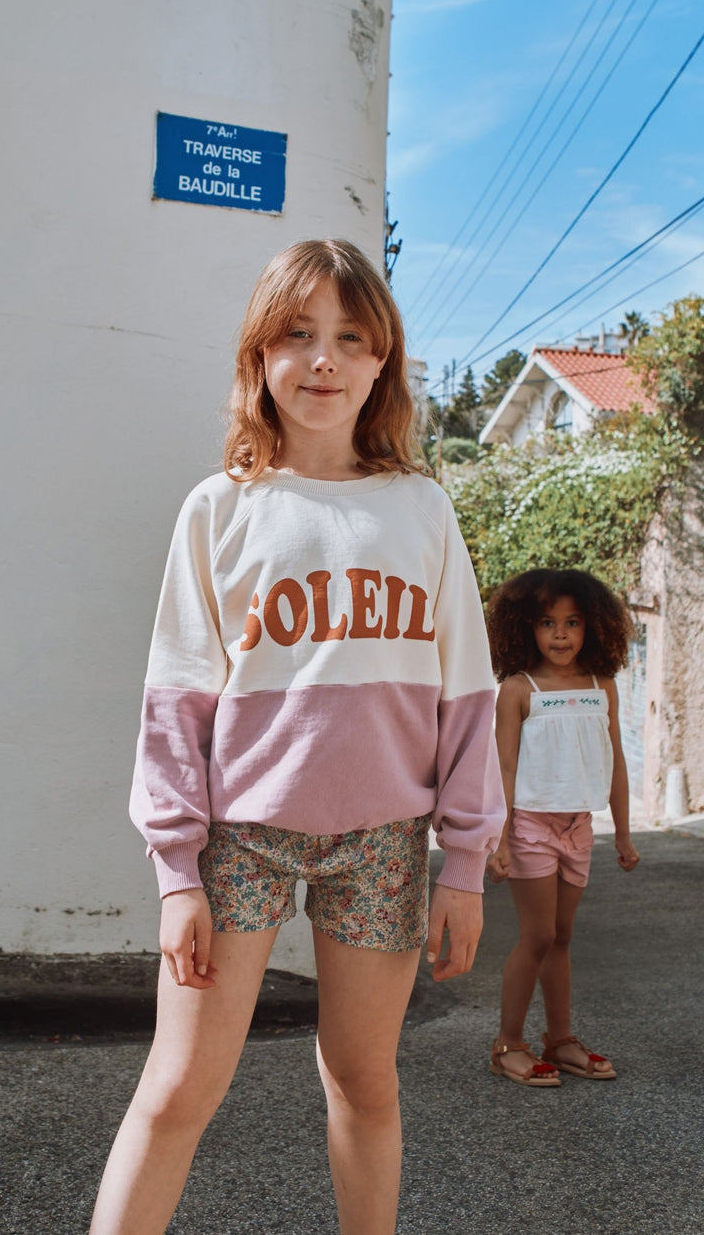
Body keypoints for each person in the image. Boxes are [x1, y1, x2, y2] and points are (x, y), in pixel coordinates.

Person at [90, 239, 505, 1235]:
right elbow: (176, 700)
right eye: (299, 335)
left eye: (351, 338)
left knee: (364, 1080)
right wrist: (176, 875)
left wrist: (466, 864)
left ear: (382, 361)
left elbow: (468, 694)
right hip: (241, 838)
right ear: (259, 356)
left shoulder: (421, 508)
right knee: (178, 1087)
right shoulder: (219, 509)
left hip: (384, 844)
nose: (325, 359)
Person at [484, 568, 640, 1088]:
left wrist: (623, 833)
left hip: (579, 826)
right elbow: (504, 768)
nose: (560, 634)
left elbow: (616, 761)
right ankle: (508, 1044)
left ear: (592, 626)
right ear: (525, 627)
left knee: (563, 936)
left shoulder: (602, 687)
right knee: (539, 934)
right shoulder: (518, 690)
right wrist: (499, 840)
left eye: (572, 622)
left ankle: (561, 1039)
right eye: (547, 623)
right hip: (530, 825)